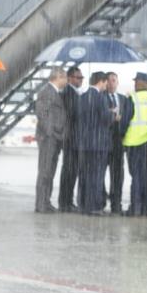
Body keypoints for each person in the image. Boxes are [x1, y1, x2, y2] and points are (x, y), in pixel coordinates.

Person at [124, 72, 147, 216]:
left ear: (144, 83)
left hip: (135, 142)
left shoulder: (133, 98)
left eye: (137, 81)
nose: (135, 83)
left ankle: (135, 208)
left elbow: (125, 121)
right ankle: (146, 207)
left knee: (137, 177)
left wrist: (121, 135)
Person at [75, 71, 113, 215]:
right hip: (98, 144)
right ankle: (94, 206)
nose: (106, 85)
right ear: (101, 82)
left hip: (84, 143)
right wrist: (113, 114)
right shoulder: (100, 98)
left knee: (84, 174)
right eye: (106, 82)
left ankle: (83, 203)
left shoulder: (83, 97)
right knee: (96, 175)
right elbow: (105, 119)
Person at [34, 68, 67, 213]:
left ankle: (46, 202)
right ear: (58, 77)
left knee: (50, 171)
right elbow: (43, 114)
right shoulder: (47, 92)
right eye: (65, 78)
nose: (66, 81)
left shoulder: (54, 93)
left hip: (54, 138)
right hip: (49, 138)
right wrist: (51, 133)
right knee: (45, 171)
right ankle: (41, 204)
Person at [57, 65, 84, 213]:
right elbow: (73, 113)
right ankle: (65, 202)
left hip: (74, 138)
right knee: (69, 171)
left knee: (71, 171)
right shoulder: (68, 93)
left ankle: (67, 201)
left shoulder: (75, 93)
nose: (81, 80)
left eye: (82, 78)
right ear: (70, 79)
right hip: (71, 138)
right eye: (78, 77)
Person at [105, 72, 132, 214]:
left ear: (117, 82)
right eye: (109, 81)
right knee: (98, 174)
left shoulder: (123, 99)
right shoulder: (100, 97)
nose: (111, 83)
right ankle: (100, 200)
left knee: (117, 176)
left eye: (114, 80)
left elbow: (127, 118)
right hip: (102, 142)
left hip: (118, 143)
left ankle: (116, 204)